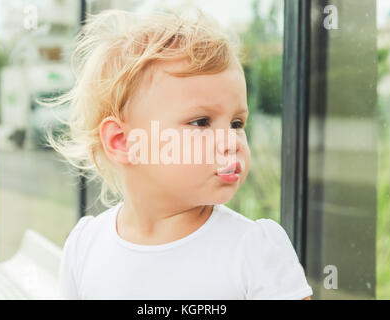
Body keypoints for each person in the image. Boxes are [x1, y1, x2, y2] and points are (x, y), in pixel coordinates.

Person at [46, 6, 313, 300]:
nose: (231, 141)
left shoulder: (254, 250)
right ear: (123, 141)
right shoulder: (87, 246)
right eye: (201, 122)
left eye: (237, 123)